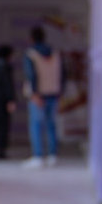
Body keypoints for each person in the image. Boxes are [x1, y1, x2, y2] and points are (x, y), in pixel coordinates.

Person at [21, 26, 62, 167]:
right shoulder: (55, 53)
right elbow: (63, 74)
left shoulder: (31, 54)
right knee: (51, 125)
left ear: (31, 39)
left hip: (38, 94)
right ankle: (53, 155)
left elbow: (31, 74)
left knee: (36, 125)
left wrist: (35, 93)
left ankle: (38, 156)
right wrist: (59, 91)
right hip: (53, 93)